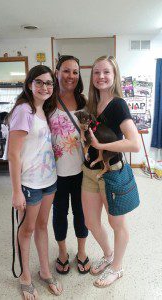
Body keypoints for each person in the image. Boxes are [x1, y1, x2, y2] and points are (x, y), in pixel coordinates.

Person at [81, 55, 140, 287]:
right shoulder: (91, 104)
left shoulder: (118, 105)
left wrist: (101, 146)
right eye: (96, 72)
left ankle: (118, 267)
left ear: (114, 75)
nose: (101, 77)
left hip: (112, 173)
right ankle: (108, 255)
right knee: (90, 222)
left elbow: (134, 143)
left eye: (106, 72)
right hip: (89, 172)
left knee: (117, 224)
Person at [7, 65, 63, 299]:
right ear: (29, 83)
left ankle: (45, 271)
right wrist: (16, 191)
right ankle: (25, 276)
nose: (44, 87)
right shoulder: (24, 110)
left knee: (41, 226)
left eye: (49, 83)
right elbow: (13, 154)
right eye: (39, 82)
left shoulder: (43, 110)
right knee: (27, 229)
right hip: (29, 183)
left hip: (49, 180)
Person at [48, 55, 91, 275]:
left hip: (82, 171)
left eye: (75, 72)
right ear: (57, 72)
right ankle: (63, 252)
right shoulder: (48, 101)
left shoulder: (83, 101)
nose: (71, 76)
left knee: (81, 213)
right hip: (55, 173)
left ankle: (82, 252)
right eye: (66, 70)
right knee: (59, 212)